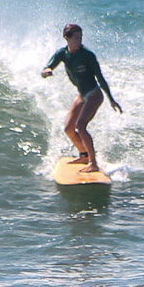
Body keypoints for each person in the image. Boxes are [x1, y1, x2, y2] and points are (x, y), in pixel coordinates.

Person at [41, 23, 122, 174]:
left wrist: (111, 99)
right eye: (76, 38)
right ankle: (84, 155)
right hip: (82, 95)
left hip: (94, 95)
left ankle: (93, 163)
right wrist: (47, 71)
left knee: (81, 126)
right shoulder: (62, 54)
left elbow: (101, 79)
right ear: (67, 38)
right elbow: (47, 67)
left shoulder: (87, 55)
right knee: (68, 128)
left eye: (81, 37)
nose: (79, 41)